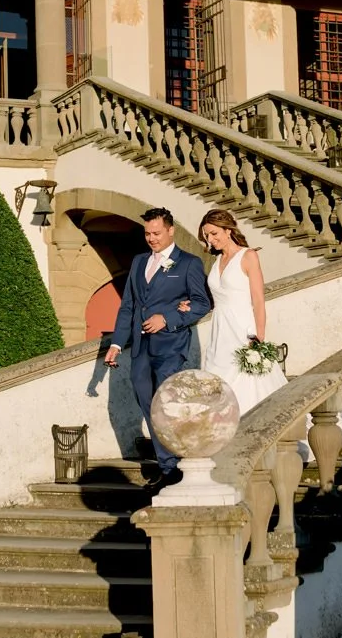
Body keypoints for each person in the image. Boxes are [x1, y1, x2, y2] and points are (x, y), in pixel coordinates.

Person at [105, 207, 210, 489]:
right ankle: (167, 465)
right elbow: (128, 306)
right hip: (139, 347)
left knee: (165, 404)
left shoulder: (189, 263)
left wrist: (167, 318)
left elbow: (201, 303)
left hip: (171, 346)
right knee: (148, 404)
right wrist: (116, 343)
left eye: (156, 233)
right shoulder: (139, 262)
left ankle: (173, 466)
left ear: (170, 230)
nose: (151, 239)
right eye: (147, 233)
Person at [186, 209, 288, 415]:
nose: (211, 240)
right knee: (217, 381)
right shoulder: (216, 262)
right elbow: (217, 298)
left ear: (228, 230)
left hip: (242, 330)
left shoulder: (248, 256)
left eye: (214, 234)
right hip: (219, 332)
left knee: (250, 383)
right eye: (207, 236)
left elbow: (258, 300)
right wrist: (189, 305)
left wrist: (259, 336)